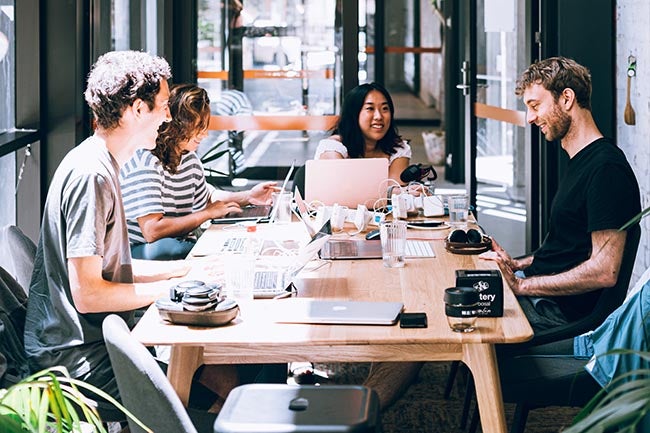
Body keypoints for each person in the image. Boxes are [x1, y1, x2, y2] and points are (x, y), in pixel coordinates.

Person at [23, 51, 191, 413]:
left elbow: (109, 271)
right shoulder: (93, 176)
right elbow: (90, 295)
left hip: (92, 344)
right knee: (219, 381)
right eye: (162, 105)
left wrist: (187, 272)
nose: (167, 115)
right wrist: (172, 291)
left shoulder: (100, 163)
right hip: (78, 362)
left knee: (212, 371)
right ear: (136, 109)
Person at [480, 56, 641, 332]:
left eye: (535, 106)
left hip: (557, 313)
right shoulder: (581, 161)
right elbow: (569, 249)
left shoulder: (606, 170)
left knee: (456, 317)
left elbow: (605, 271)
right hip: (542, 297)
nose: (530, 118)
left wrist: (520, 285)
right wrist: (516, 264)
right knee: (454, 295)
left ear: (566, 98)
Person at [120, 83, 276, 260]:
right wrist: (207, 214)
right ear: (179, 126)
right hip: (140, 250)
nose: (205, 134)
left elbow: (209, 197)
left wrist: (248, 197)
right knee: (177, 249)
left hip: (176, 243)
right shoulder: (146, 161)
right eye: (199, 127)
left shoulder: (189, 159)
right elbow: (152, 231)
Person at [314, 82, 411, 183]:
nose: (378, 116)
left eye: (385, 109)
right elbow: (342, 189)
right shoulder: (333, 148)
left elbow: (395, 190)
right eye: (370, 108)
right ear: (354, 114)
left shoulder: (398, 149)